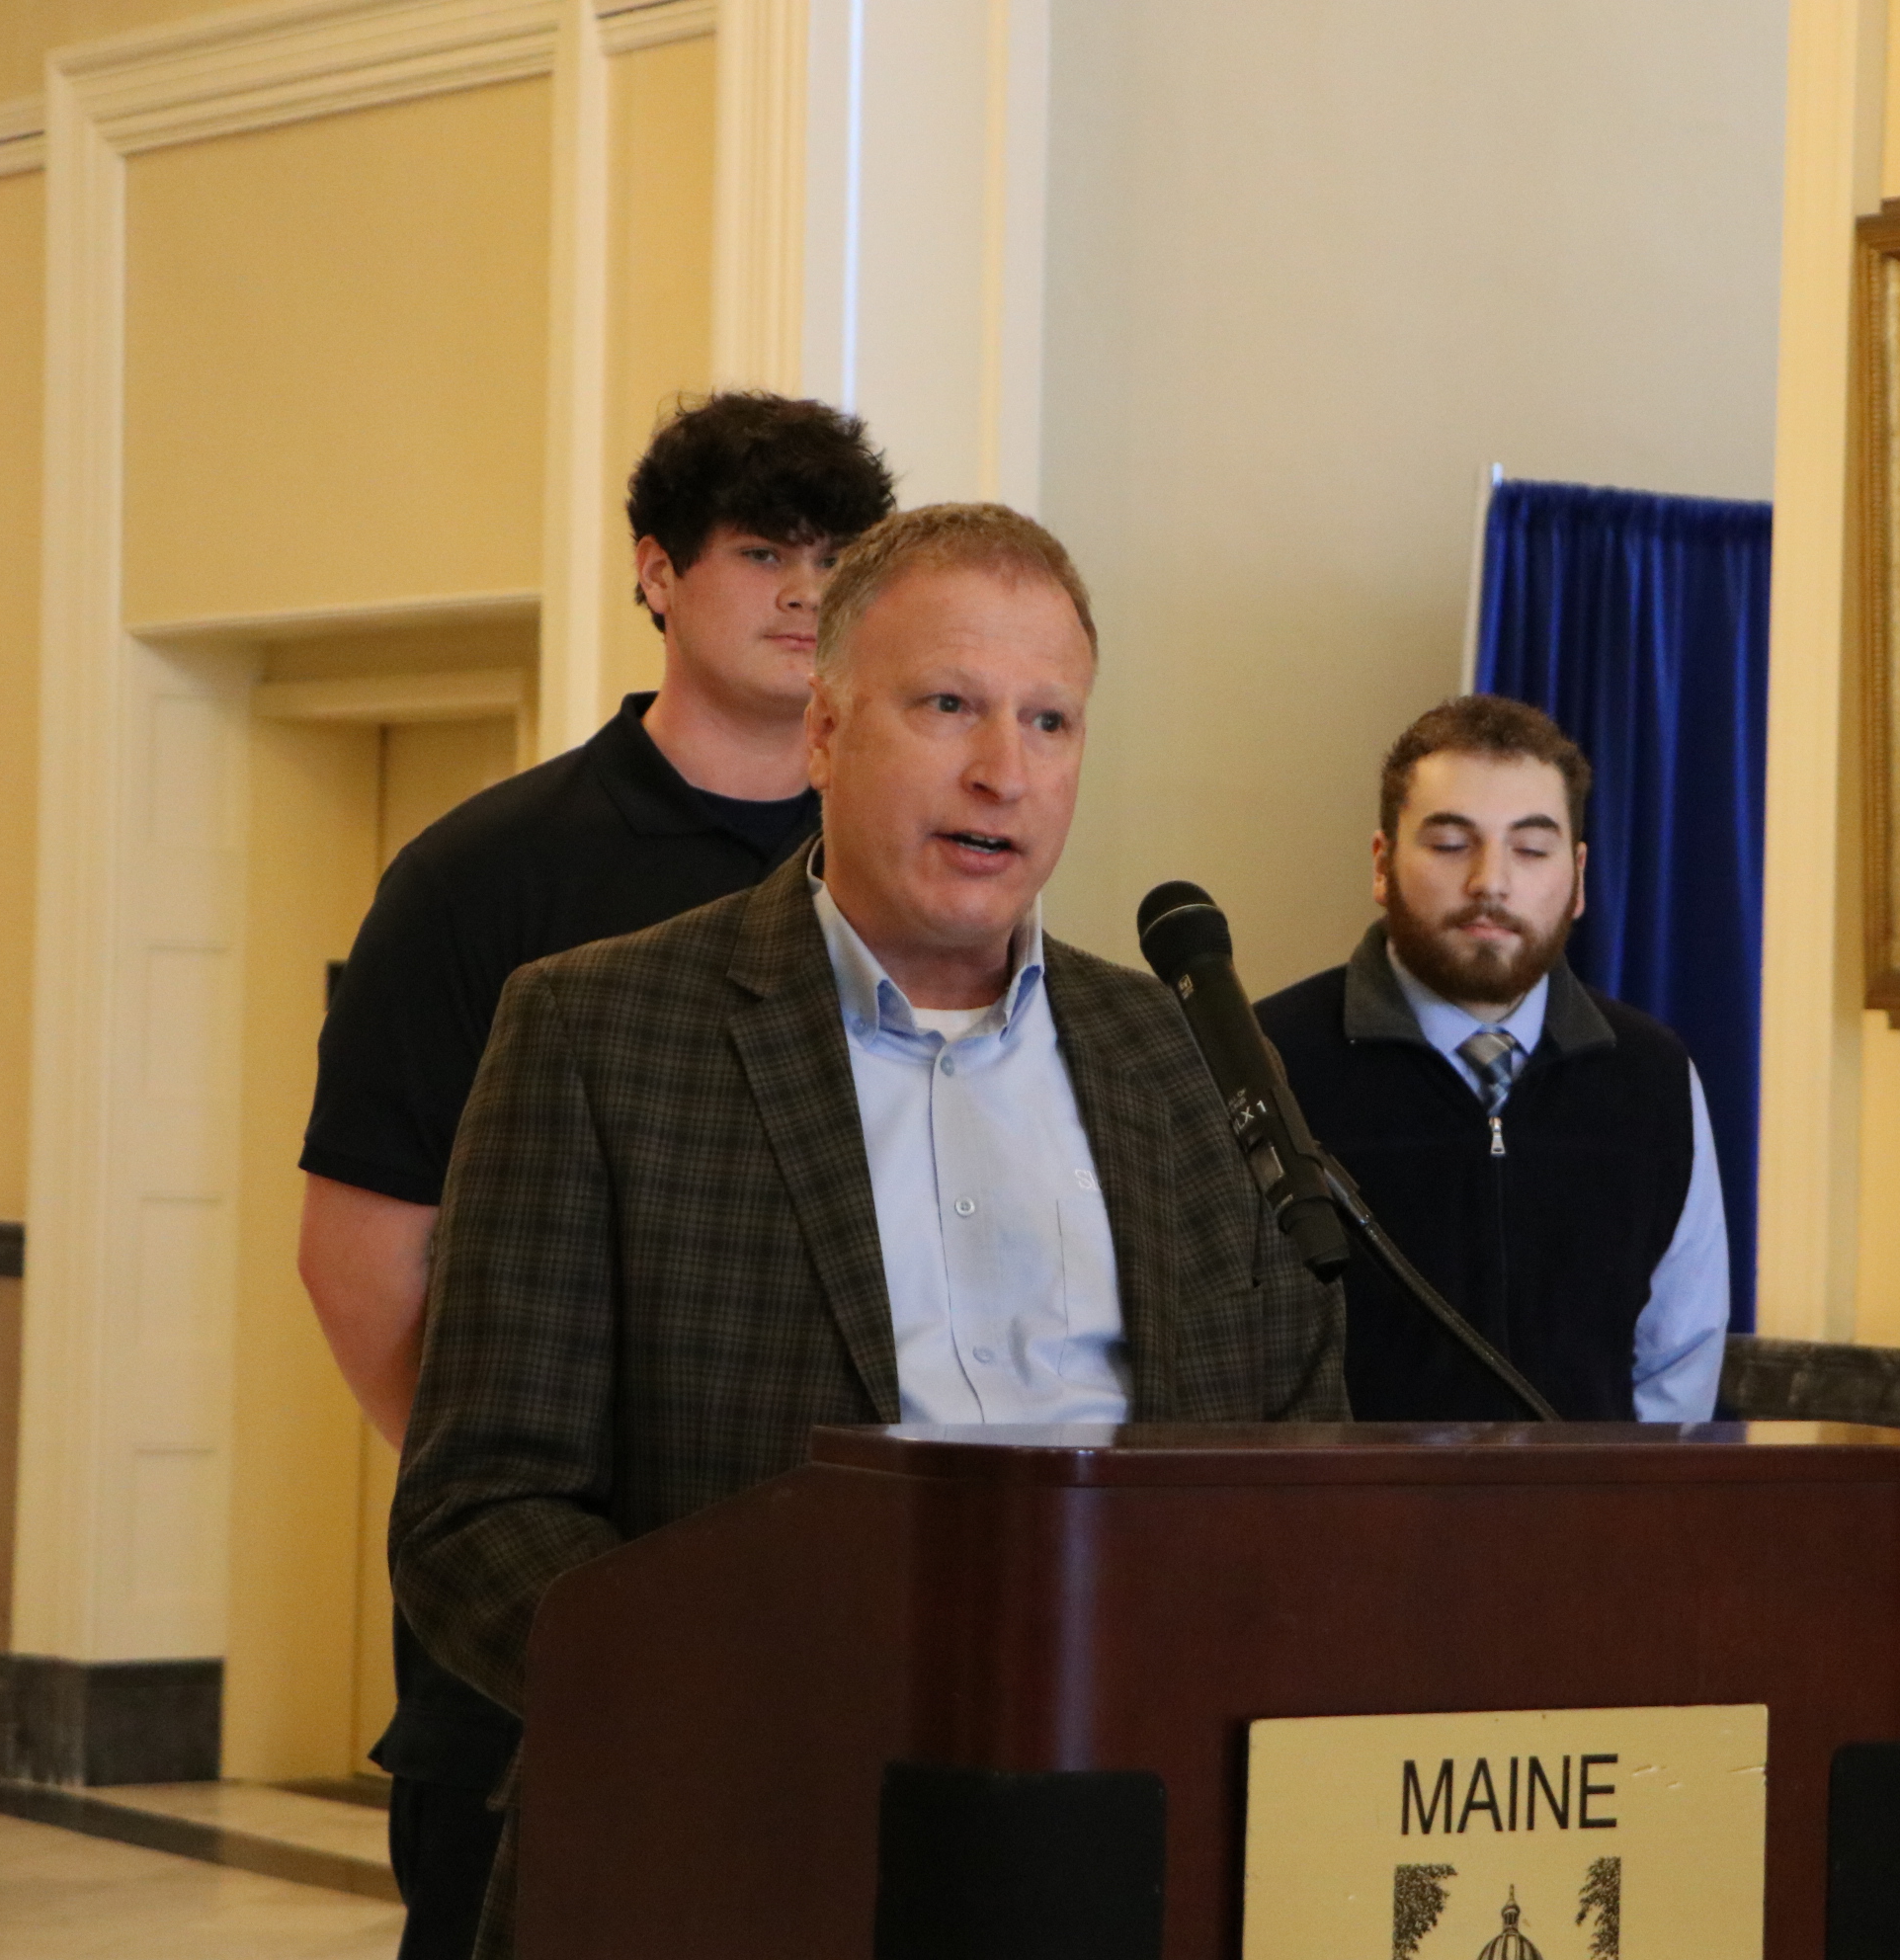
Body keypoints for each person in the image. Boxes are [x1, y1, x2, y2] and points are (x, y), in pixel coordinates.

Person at [388, 503, 1348, 1953]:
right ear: (826, 732)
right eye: (948, 704)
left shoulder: (1187, 1056)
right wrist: (752, 1703)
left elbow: (1301, 1455)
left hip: (1139, 1837)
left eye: (1049, 720)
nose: (1002, 769)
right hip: (736, 1841)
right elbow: (475, 1513)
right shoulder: (598, 1032)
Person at [296, 390, 893, 1959]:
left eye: (836, 560)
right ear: (655, 571)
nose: (805, 595)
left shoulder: (906, 873)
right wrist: (515, 1506)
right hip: (542, 1640)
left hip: (849, 1628)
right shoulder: (484, 875)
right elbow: (360, 1256)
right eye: (761, 552)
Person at [1254, 695, 1729, 1422]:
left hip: (1586, 1496)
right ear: (1382, 865)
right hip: (1337, 1495)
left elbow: (1677, 1359)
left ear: (1577, 878)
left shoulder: (1651, 1074)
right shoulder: (1266, 1062)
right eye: (1451, 844)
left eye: (1530, 849)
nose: (1491, 882)